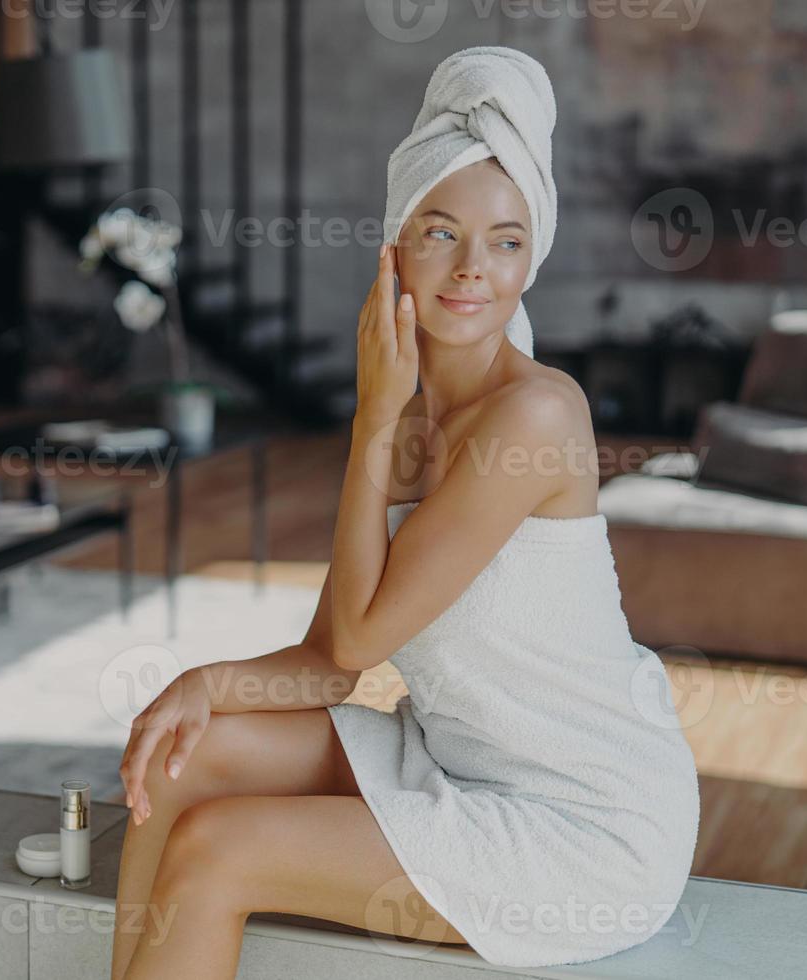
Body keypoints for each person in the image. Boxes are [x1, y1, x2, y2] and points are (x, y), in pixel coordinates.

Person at [110, 47, 699, 978]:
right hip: (454, 766)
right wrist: (202, 685)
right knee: (187, 759)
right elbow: (324, 667)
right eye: (441, 233)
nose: (473, 271)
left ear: (531, 256)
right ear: (396, 247)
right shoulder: (416, 418)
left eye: (506, 241)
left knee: (219, 846)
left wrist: (373, 418)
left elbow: (355, 643)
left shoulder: (537, 416)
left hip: (585, 826)